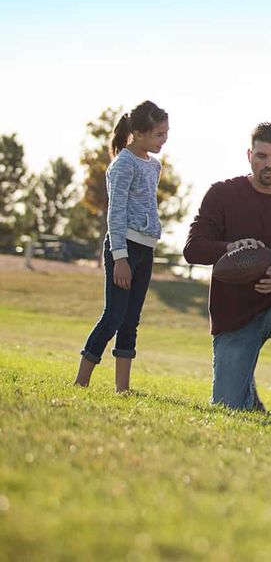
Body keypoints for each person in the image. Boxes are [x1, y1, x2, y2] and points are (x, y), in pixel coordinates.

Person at [183, 122, 271, 419]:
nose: (268, 164)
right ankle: (246, 390)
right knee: (228, 407)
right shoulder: (221, 194)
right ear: (249, 155)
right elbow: (192, 249)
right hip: (234, 314)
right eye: (261, 156)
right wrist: (229, 248)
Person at [75, 101, 169, 393]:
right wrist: (120, 258)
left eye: (166, 133)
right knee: (113, 316)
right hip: (124, 248)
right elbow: (115, 213)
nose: (163, 139)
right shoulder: (122, 164)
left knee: (131, 320)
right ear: (138, 134)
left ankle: (122, 388)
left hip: (146, 248)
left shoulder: (154, 165)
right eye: (158, 134)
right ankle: (81, 382)